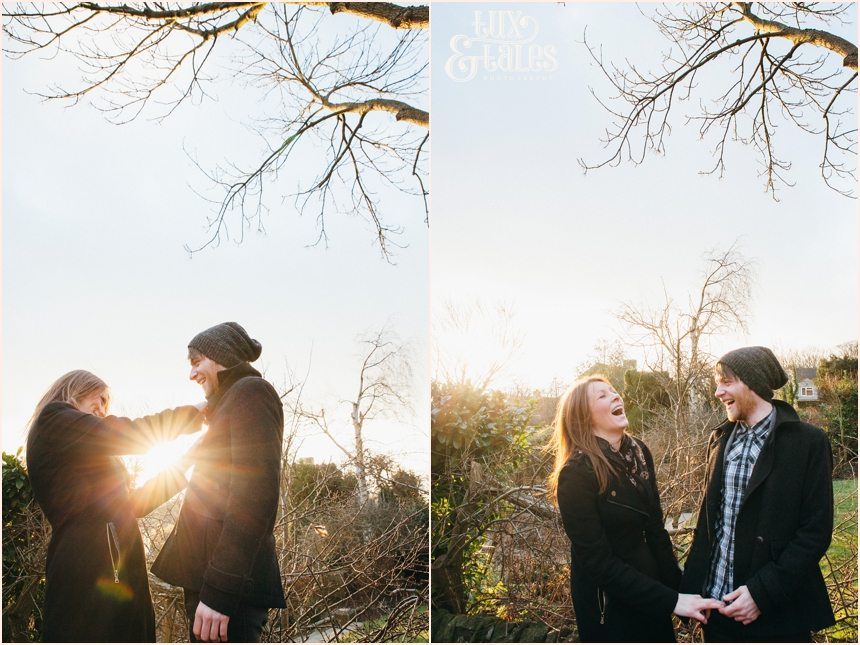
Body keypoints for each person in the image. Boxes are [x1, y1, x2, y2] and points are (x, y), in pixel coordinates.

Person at [25, 370, 205, 642]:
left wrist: (188, 460)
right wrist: (191, 414)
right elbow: (122, 434)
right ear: (74, 390)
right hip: (90, 564)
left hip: (119, 564)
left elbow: (133, 504)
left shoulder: (83, 451)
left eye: (105, 407)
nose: (101, 412)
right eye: (97, 402)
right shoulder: (54, 418)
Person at [548, 375, 722, 642]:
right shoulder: (576, 474)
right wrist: (673, 600)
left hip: (651, 594)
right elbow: (598, 562)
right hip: (609, 606)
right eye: (602, 396)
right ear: (583, 417)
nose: (616, 396)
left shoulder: (639, 452)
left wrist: (683, 594)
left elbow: (655, 531)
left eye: (613, 391)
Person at [680, 346, 835, 642]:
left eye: (726, 382)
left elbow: (815, 532)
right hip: (715, 611)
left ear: (753, 382)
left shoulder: (808, 443)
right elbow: (709, 523)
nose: (718, 392)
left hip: (776, 615)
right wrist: (693, 591)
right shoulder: (719, 438)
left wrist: (762, 593)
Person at [152, 322, 286, 643]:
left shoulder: (252, 392)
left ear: (220, 356)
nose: (191, 374)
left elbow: (254, 500)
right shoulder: (230, 401)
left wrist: (220, 593)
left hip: (226, 594)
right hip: (210, 585)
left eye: (196, 362)